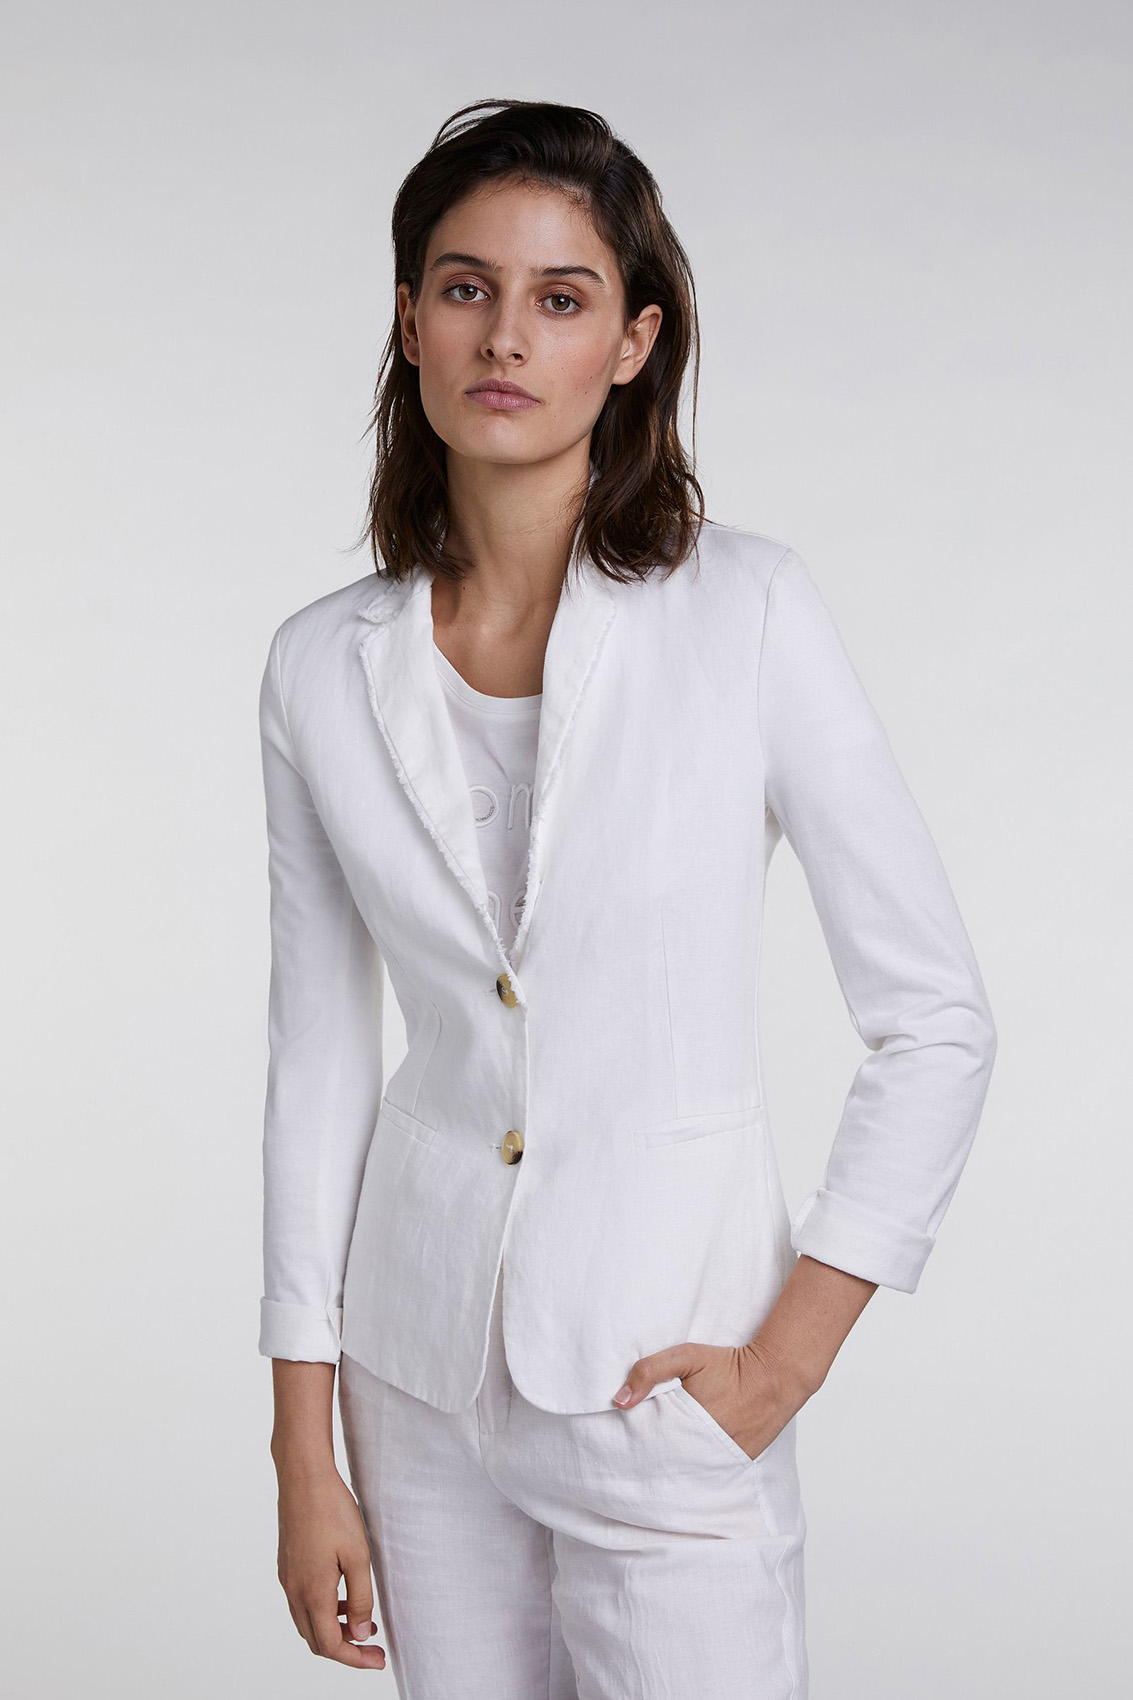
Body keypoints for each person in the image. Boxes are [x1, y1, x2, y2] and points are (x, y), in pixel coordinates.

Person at [257, 98, 997, 1699]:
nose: (504, 336)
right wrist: (301, 1446)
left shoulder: (745, 613)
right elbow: (320, 1058)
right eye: (465, 288)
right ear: (409, 319)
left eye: (562, 296)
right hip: (415, 1382)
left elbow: (936, 1020)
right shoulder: (320, 666)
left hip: (665, 1381)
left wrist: (782, 1363)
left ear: (633, 342)